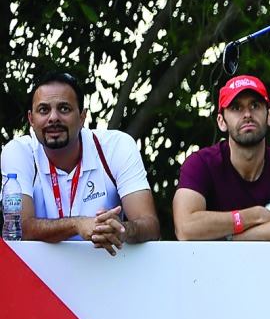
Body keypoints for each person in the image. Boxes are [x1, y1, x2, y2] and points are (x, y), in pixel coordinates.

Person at [0, 71, 159, 254]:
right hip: (38, 277)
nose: (53, 118)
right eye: (44, 110)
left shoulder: (117, 146)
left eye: (64, 108)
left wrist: (122, 229)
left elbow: (149, 225)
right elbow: (21, 229)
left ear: (82, 117)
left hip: (107, 272)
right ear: (31, 119)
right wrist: (77, 224)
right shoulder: (19, 152)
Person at [173, 75, 270, 241]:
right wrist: (255, 215)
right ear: (221, 121)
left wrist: (232, 237)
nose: (247, 114)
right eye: (236, 108)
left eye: (255, 105)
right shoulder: (201, 164)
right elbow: (185, 228)